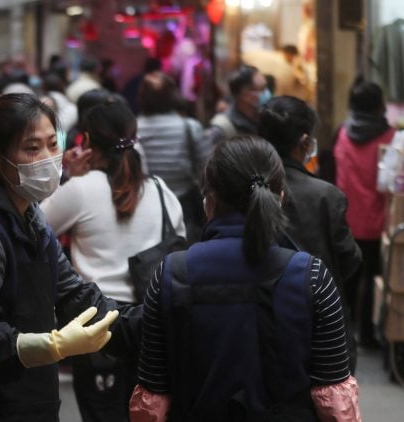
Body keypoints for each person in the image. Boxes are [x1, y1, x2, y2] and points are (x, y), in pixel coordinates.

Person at [0, 93, 140, 421]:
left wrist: (151, 320)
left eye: (52, 144)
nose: (47, 158)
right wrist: (52, 345)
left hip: (34, 400)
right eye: (32, 148)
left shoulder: (32, 218)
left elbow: (74, 294)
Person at [131, 136, 361, 421]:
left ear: (209, 201)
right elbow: (335, 401)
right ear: (280, 198)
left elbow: (152, 399)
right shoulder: (312, 276)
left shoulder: (171, 274)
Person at [41, 101, 185, 422]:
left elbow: (36, 227)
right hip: (150, 321)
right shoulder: (161, 191)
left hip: (95, 322)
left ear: (87, 142)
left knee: (101, 413)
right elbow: (179, 240)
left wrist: (69, 177)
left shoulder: (80, 189)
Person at [258, 95, 362, 371]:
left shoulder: (244, 188)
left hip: (257, 316)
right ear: (305, 142)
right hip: (319, 320)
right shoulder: (326, 196)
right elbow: (349, 259)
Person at [334, 80, 396, 348]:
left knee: (347, 277)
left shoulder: (343, 132)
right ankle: (369, 335)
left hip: (345, 219)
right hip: (377, 220)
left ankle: (342, 332)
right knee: (373, 278)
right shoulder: (391, 137)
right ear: (380, 105)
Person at [137, 72, 210, 242]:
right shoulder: (189, 127)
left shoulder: (134, 129)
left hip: (146, 203)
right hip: (184, 203)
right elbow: (206, 170)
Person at [208, 65, 268, 144]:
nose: (267, 93)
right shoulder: (223, 129)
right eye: (262, 89)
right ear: (245, 94)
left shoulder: (266, 119)